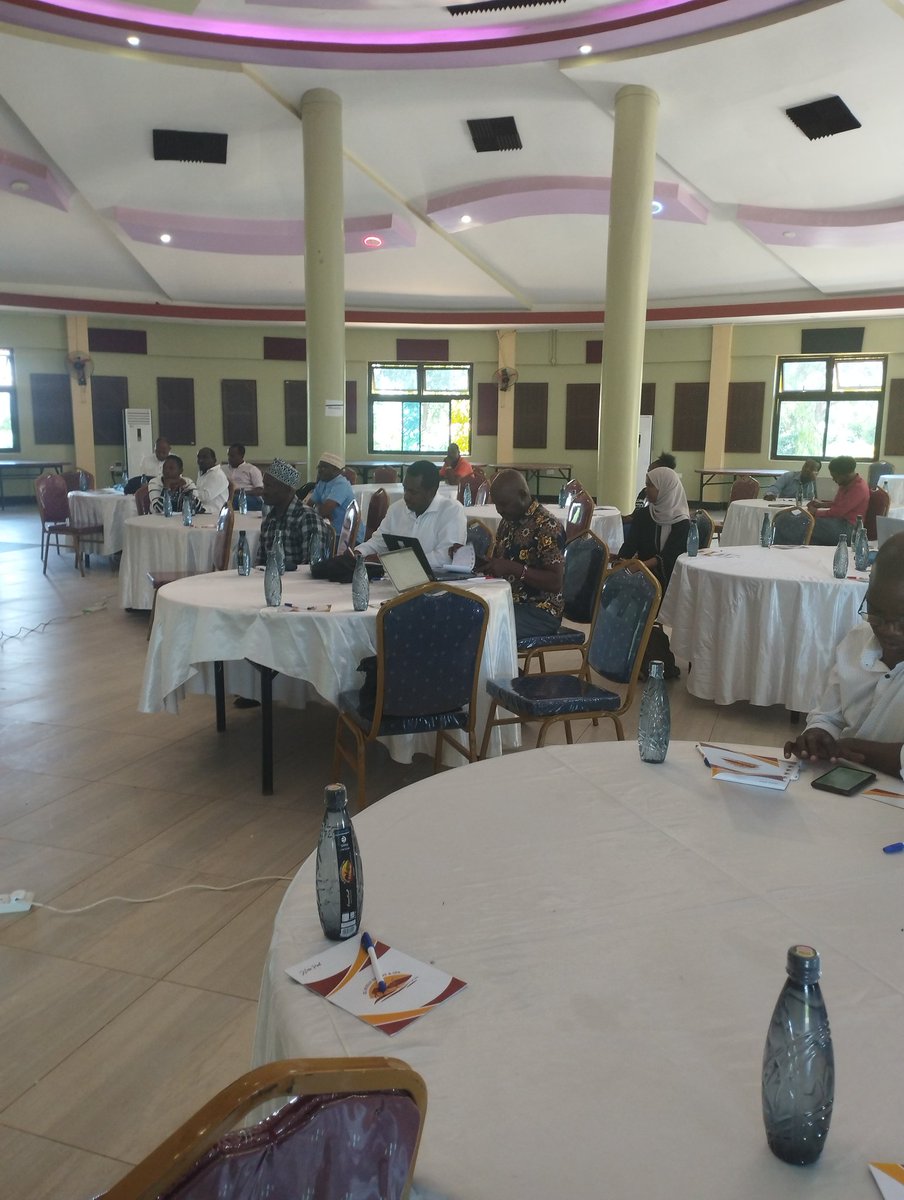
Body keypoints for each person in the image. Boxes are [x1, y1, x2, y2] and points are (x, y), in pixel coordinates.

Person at [784, 531, 904, 778]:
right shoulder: (856, 641)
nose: (887, 630)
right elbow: (829, 714)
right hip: (847, 780)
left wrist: (855, 749)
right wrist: (819, 735)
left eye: (902, 621)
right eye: (876, 614)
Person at [615, 465, 691, 679]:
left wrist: (640, 566)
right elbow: (630, 545)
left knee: (632, 595)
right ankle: (626, 656)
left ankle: (642, 659)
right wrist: (622, 561)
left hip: (668, 577)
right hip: (643, 572)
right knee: (613, 588)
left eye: (651, 485)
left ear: (666, 488)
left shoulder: (681, 521)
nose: (646, 489)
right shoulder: (643, 516)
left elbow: (671, 557)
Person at [482, 469, 564, 639]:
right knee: (467, 614)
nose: (499, 510)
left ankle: (504, 667)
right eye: (496, 504)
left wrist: (515, 569)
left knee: (483, 628)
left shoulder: (547, 525)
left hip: (540, 611)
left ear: (523, 494)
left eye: (503, 504)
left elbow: (556, 582)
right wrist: (481, 563)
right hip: (507, 602)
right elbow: (501, 565)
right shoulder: (507, 522)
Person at [355, 460, 466, 572]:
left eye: (413, 492)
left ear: (431, 492)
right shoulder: (396, 509)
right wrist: (359, 552)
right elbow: (378, 542)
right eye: (405, 489)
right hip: (396, 579)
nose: (406, 496)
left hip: (437, 584)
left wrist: (395, 562)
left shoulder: (451, 511)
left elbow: (445, 558)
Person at [256, 458, 324, 571]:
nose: (264, 491)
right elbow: (260, 564)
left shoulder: (306, 518)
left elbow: (313, 567)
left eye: (269, 486)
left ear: (287, 489)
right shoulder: (269, 520)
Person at [806, 455, 869, 545]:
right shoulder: (847, 483)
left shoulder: (858, 488)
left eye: (835, 476)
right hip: (840, 522)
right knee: (807, 524)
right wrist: (821, 505)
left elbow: (837, 512)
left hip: (849, 529)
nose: (833, 479)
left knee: (805, 523)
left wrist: (815, 512)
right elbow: (839, 504)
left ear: (846, 475)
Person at [305, 451, 360, 543]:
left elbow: (324, 510)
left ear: (336, 470)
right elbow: (308, 506)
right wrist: (319, 507)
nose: (320, 470)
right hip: (330, 532)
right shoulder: (323, 482)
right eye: (319, 467)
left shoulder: (341, 484)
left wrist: (319, 507)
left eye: (324, 467)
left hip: (346, 536)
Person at [195, 447, 230, 513]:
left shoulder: (217, 475)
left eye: (205, 457)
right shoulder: (202, 473)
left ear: (214, 460)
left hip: (214, 513)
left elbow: (205, 497)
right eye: (199, 457)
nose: (200, 460)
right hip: (202, 511)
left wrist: (189, 489)